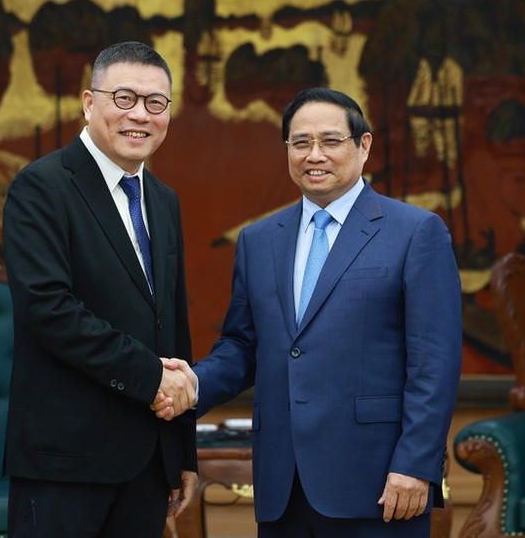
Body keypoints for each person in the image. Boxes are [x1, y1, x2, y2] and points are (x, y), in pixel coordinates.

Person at [156, 87, 462, 537]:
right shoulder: (259, 240)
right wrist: (191, 385)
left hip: (380, 484)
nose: (313, 155)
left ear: (364, 146)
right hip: (283, 484)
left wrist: (416, 465)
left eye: (330, 141)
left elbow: (434, 362)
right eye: (300, 143)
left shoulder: (415, 232)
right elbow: (243, 345)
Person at [2, 41, 198, 538]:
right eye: (124, 98)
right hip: (65, 461)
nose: (141, 115)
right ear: (90, 103)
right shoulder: (41, 186)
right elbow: (48, 309)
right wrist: (149, 376)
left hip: (148, 464)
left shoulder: (163, 199)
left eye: (156, 103)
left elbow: (171, 324)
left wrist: (181, 451)